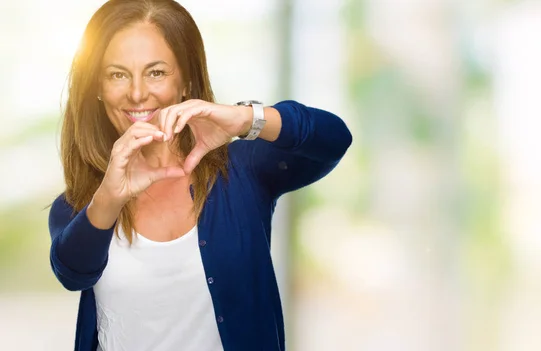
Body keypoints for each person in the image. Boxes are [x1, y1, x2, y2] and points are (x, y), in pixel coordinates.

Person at [48, 0, 352, 350]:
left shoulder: (240, 171)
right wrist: (110, 197)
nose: (136, 92)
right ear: (98, 88)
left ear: (187, 81)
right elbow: (72, 273)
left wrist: (243, 118)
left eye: (156, 72)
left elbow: (332, 139)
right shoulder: (80, 204)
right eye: (118, 74)